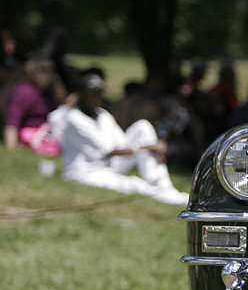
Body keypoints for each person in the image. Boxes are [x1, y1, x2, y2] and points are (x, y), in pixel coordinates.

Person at [50, 72, 189, 206]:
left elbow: (121, 143)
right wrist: (149, 147)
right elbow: (108, 150)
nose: (96, 98)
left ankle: (165, 188)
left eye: (99, 93)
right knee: (136, 185)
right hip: (86, 172)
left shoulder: (103, 115)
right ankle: (168, 197)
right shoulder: (74, 119)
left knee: (143, 127)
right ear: (82, 96)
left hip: (108, 165)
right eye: (92, 94)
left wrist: (153, 149)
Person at [4, 54, 61, 155]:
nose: (48, 74)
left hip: (46, 135)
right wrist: (11, 150)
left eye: (51, 70)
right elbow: (12, 122)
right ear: (32, 71)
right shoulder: (26, 91)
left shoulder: (48, 92)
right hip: (30, 138)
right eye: (43, 69)